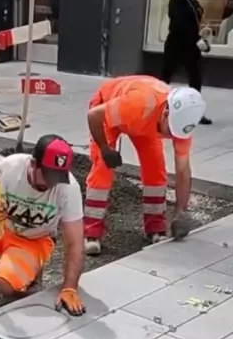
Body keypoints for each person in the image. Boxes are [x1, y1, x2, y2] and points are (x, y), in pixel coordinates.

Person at [0, 135, 86, 321]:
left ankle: (32, 272)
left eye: (57, 177)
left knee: (5, 285)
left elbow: (75, 242)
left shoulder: (68, 188)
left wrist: (69, 288)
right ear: (33, 164)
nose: (52, 183)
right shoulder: (9, 168)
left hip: (33, 240)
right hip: (1, 228)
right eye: (48, 175)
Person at [83, 76, 206, 255]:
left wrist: (181, 211)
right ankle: (91, 234)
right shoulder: (139, 103)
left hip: (143, 123)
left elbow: (182, 170)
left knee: (155, 169)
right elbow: (94, 115)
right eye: (170, 130)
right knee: (103, 168)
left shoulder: (182, 127)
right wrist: (105, 149)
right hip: (111, 111)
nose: (172, 136)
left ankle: (156, 229)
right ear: (166, 112)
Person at [162, 0, 212, 125]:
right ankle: (156, 107)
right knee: (165, 79)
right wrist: (197, 39)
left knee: (196, 80)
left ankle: (194, 112)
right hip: (177, 45)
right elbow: (179, 24)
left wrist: (201, 34)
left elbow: (192, 22)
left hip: (190, 46)